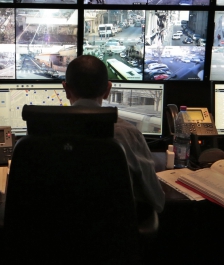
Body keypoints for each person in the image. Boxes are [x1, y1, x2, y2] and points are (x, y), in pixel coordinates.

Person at [62, 56, 165, 214]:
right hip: (115, 228)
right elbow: (157, 201)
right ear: (108, 90)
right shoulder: (129, 135)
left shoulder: (40, 133)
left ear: (66, 89)